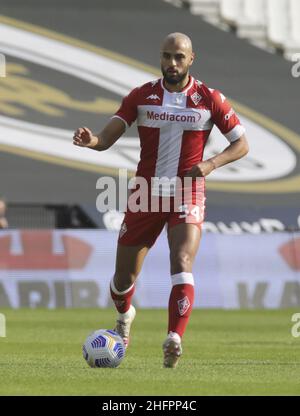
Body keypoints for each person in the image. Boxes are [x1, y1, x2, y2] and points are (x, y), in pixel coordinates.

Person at [73, 32, 249, 368]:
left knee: (182, 260)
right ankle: (124, 318)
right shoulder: (142, 96)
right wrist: (91, 139)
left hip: (187, 192)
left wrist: (210, 164)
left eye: (179, 57)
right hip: (146, 195)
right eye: (166, 56)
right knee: (123, 280)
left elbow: (242, 145)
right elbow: (107, 138)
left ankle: (174, 338)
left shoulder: (209, 98)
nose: (172, 63)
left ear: (191, 59)